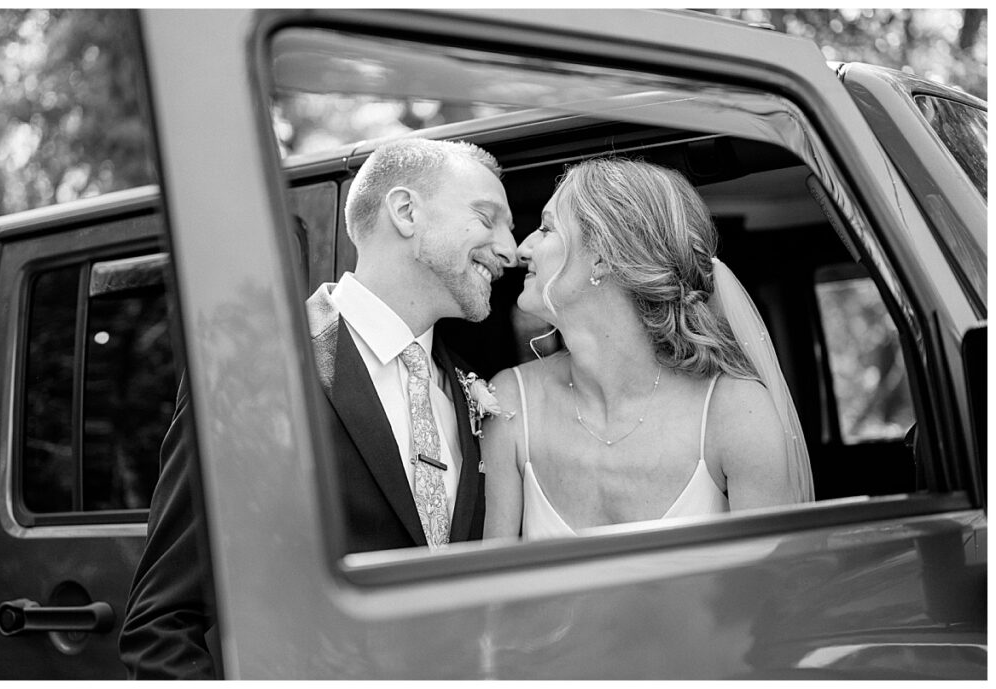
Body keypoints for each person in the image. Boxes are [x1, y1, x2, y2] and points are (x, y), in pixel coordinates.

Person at [120, 137, 517, 678]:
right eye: (487, 217)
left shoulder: (468, 385)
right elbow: (161, 624)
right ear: (405, 212)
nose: (510, 250)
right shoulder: (260, 368)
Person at [482, 158, 813, 541]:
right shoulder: (510, 403)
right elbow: (490, 592)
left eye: (546, 228)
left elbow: (776, 587)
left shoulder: (735, 412)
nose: (523, 248)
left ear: (603, 256)